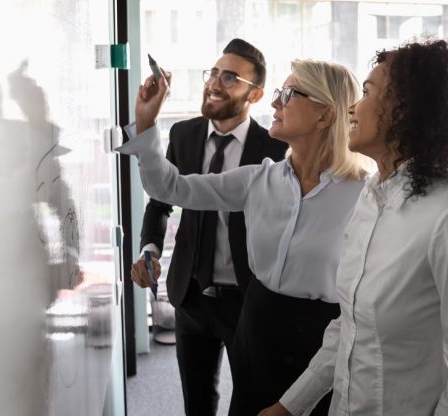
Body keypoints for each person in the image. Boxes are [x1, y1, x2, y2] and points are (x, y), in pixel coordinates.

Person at [259, 39, 448, 415]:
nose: (353, 108)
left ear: (405, 110)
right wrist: (291, 406)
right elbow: (348, 328)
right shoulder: (371, 198)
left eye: (367, 92)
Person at [119, 57, 372, 414]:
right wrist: (146, 122)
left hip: (323, 340)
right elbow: (169, 187)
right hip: (258, 326)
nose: (274, 102)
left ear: (325, 115)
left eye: (288, 94)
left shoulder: (363, 194)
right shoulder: (258, 180)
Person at [129, 38, 288, 415]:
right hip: (191, 295)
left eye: (230, 77)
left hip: (248, 300)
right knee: (196, 404)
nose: (215, 83)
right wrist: (149, 249)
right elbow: (161, 202)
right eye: (214, 73)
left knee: (252, 401)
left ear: (256, 94)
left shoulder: (275, 149)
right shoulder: (183, 134)